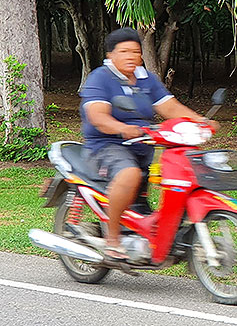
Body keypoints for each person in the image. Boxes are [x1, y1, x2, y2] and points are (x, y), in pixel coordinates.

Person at [79, 27, 218, 261]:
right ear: (110, 55)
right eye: (124, 51)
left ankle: (163, 235)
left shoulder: (146, 78)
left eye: (135, 51)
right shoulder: (100, 78)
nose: (131, 56)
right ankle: (112, 239)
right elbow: (97, 116)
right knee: (130, 174)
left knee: (182, 174)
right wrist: (122, 128)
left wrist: (200, 121)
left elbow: (169, 107)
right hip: (107, 145)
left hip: (143, 144)